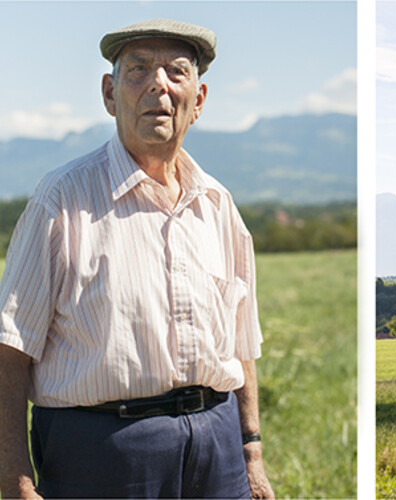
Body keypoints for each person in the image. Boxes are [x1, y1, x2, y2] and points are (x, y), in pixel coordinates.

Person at [0, 19, 273, 499]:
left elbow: (241, 343)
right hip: (102, 453)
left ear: (199, 100)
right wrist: (15, 482)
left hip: (219, 448)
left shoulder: (218, 204)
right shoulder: (61, 199)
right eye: (139, 70)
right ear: (109, 94)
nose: (158, 85)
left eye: (176, 72)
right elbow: (9, 350)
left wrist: (251, 453)